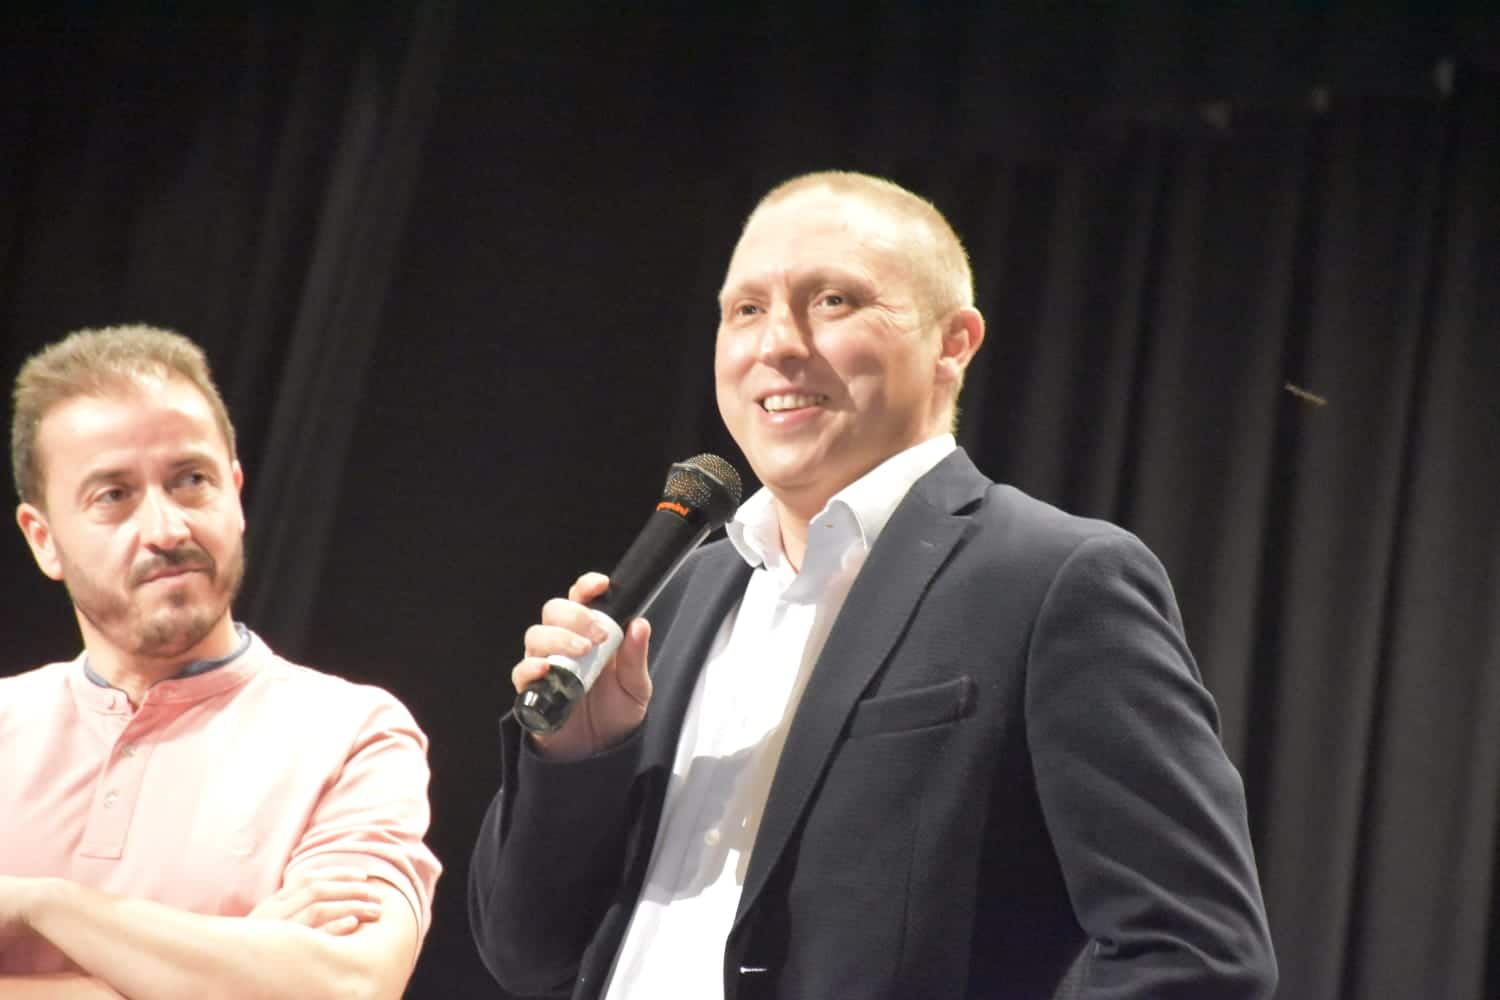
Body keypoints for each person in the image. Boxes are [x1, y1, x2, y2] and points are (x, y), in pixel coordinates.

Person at [468, 171, 1277, 999]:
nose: (777, 344)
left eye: (833, 301)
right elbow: (525, 955)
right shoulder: (671, 603)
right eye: (746, 309)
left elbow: (1197, 952)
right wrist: (577, 760)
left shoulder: (1052, 580)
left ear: (953, 343)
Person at [0, 325, 441, 999]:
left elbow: (348, 985)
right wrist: (235, 969)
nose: (166, 529)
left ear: (235, 493)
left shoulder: (351, 734)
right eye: (113, 495)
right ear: (43, 539)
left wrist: (42, 904)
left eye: (191, 481)